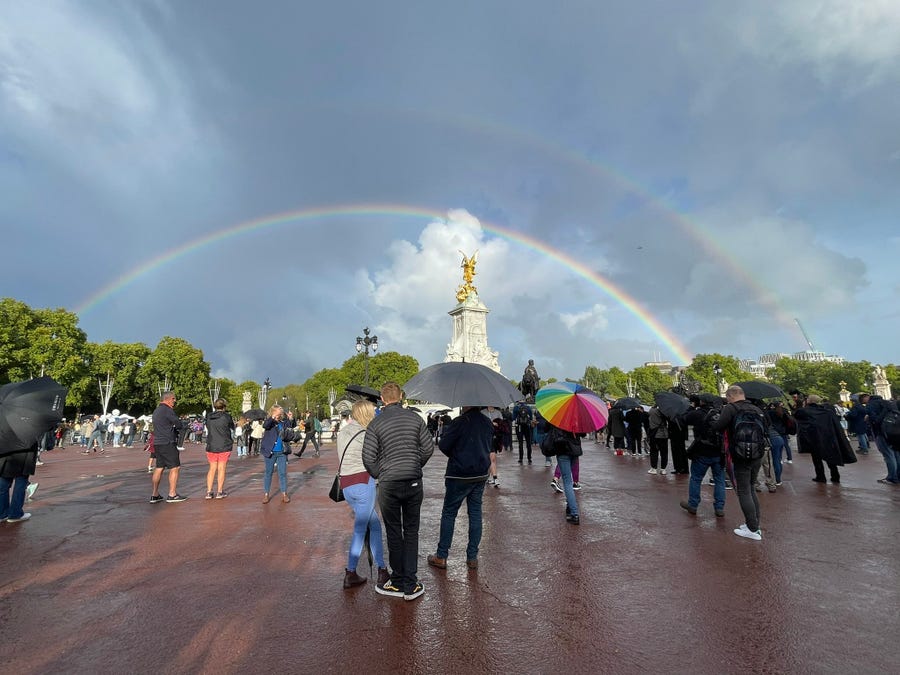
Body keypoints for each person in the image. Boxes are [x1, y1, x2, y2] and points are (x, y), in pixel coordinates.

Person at [362, 382, 434, 601]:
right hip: (412, 480)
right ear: (401, 396)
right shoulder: (415, 419)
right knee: (412, 530)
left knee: (394, 531)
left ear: (383, 399)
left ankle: (399, 579)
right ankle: (411, 584)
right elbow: (428, 448)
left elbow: (368, 457)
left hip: (389, 482)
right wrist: (414, 465)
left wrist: (380, 473)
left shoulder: (376, 423)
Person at [427, 405, 493, 571]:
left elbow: (443, 445)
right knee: (475, 513)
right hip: (480, 472)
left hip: (459, 473)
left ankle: (442, 555)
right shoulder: (487, 422)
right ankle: (472, 557)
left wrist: (457, 455)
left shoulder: (460, 422)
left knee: (449, 513)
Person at [338, 399, 389, 589]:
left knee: (373, 524)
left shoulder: (344, 431)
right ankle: (351, 571)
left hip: (346, 484)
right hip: (363, 481)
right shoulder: (367, 433)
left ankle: (382, 568)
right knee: (361, 528)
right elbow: (375, 458)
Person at [711, 386, 766, 541]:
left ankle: (752, 529)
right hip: (757, 452)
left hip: (740, 452)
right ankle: (754, 523)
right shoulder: (756, 408)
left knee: (743, 491)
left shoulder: (730, 408)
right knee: (751, 487)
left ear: (730, 396)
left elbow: (718, 427)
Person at [679, 396, 726, 517]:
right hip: (718, 452)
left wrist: (691, 407)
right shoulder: (720, 414)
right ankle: (719, 507)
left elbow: (682, 419)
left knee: (696, 478)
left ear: (701, 402)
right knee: (719, 480)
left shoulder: (697, 413)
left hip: (702, 451)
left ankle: (693, 504)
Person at [794, 394, 856, 484]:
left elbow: (796, 415)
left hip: (813, 438)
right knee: (830, 457)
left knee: (816, 458)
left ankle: (821, 476)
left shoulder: (804, 411)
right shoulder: (827, 411)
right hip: (827, 437)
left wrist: (801, 405)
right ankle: (835, 476)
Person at [540, 422, 583, 524]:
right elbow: (583, 433)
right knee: (569, 481)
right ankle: (569, 508)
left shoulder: (557, 416)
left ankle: (574, 513)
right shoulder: (576, 416)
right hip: (575, 449)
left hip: (562, 449)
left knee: (567, 482)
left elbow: (545, 429)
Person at [149, 392, 187, 503]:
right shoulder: (168, 410)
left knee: (159, 467)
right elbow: (179, 424)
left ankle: (154, 494)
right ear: (168, 399)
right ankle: (172, 494)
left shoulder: (156, 411)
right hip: (168, 442)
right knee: (175, 467)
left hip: (158, 442)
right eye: (174, 399)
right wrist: (179, 426)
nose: (174, 401)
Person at [204, 398, 235, 499]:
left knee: (212, 468)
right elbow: (232, 427)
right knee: (221, 468)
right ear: (224, 406)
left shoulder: (208, 416)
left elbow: (208, 427)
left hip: (211, 444)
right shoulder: (227, 417)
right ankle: (219, 491)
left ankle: (209, 492)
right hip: (224, 444)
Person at [1, 444, 39, 523]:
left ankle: (2, 513)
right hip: (25, 453)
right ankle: (15, 514)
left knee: (4, 482)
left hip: (7, 452)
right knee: (20, 483)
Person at [261, 405, 290, 504]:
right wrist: (272, 417)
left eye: (280, 413)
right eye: (278, 413)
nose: (279, 415)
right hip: (270, 451)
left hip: (281, 452)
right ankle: (266, 494)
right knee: (268, 473)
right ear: (273, 412)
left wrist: (290, 417)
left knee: (282, 473)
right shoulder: (270, 422)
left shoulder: (283, 422)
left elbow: (290, 426)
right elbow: (265, 425)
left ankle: (284, 493)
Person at [647, 405, 669, 475]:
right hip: (664, 434)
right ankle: (663, 469)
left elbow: (650, 412)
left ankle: (654, 468)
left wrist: (654, 406)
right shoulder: (666, 412)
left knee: (654, 451)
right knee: (664, 453)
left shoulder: (652, 411)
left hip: (655, 434)